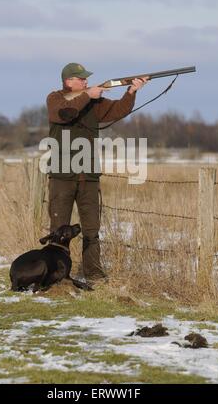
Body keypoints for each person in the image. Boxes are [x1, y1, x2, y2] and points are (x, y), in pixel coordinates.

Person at [46, 62, 148, 285]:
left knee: (92, 229)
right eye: (80, 79)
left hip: (89, 176)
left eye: (85, 79)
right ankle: (56, 276)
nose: (85, 81)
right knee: (57, 230)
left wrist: (131, 91)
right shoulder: (55, 98)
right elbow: (65, 114)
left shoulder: (94, 102)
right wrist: (88, 95)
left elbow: (118, 110)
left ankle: (94, 274)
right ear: (68, 81)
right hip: (62, 175)